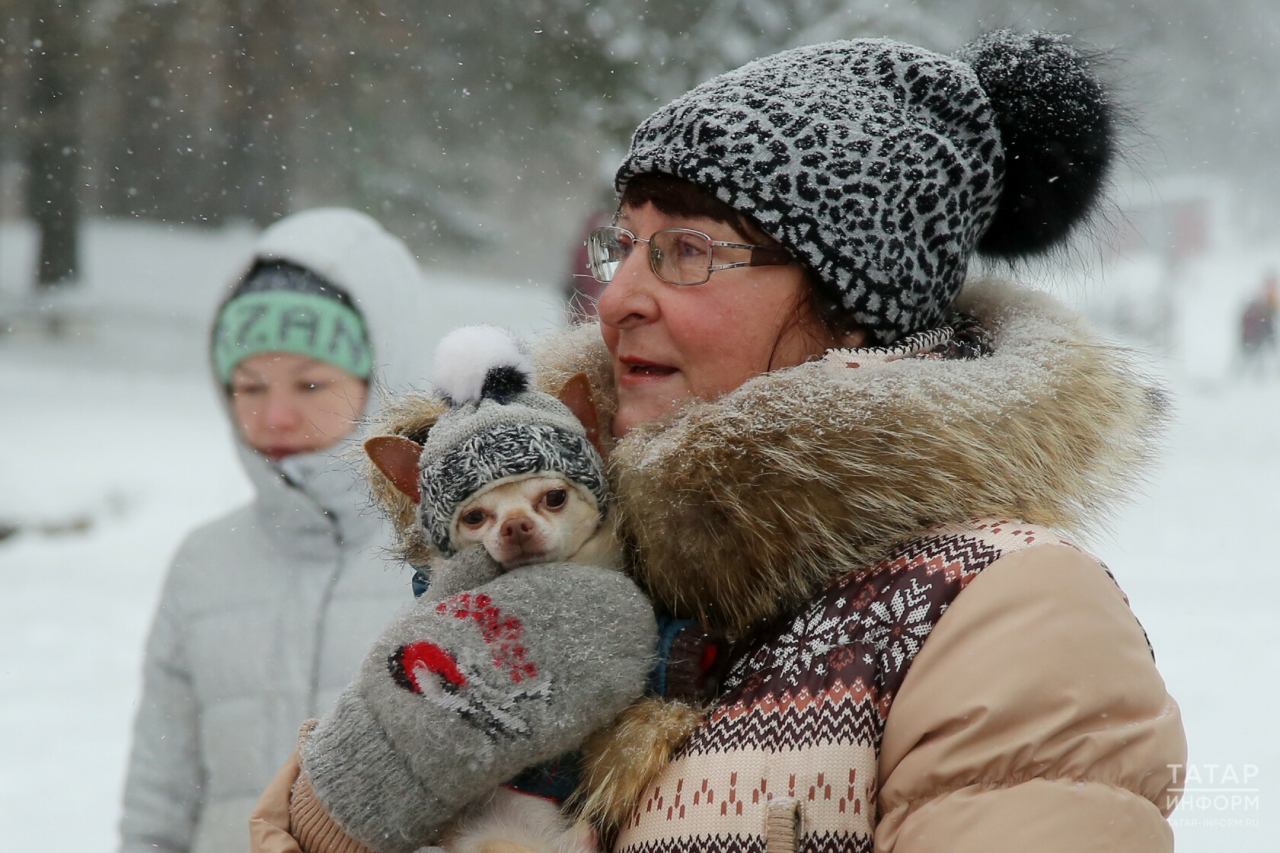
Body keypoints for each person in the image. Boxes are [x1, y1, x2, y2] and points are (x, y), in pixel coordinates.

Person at [254, 31, 1187, 853]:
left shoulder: (1004, 613)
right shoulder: (549, 544)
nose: (616, 296)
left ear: (853, 308)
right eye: (624, 245)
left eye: (690, 250)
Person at [118, 208, 437, 853]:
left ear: (383, 381)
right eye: (249, 385)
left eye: (312, 383)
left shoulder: (446, 562)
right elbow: (160, 801)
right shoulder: (204, 563)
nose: (276, 416)